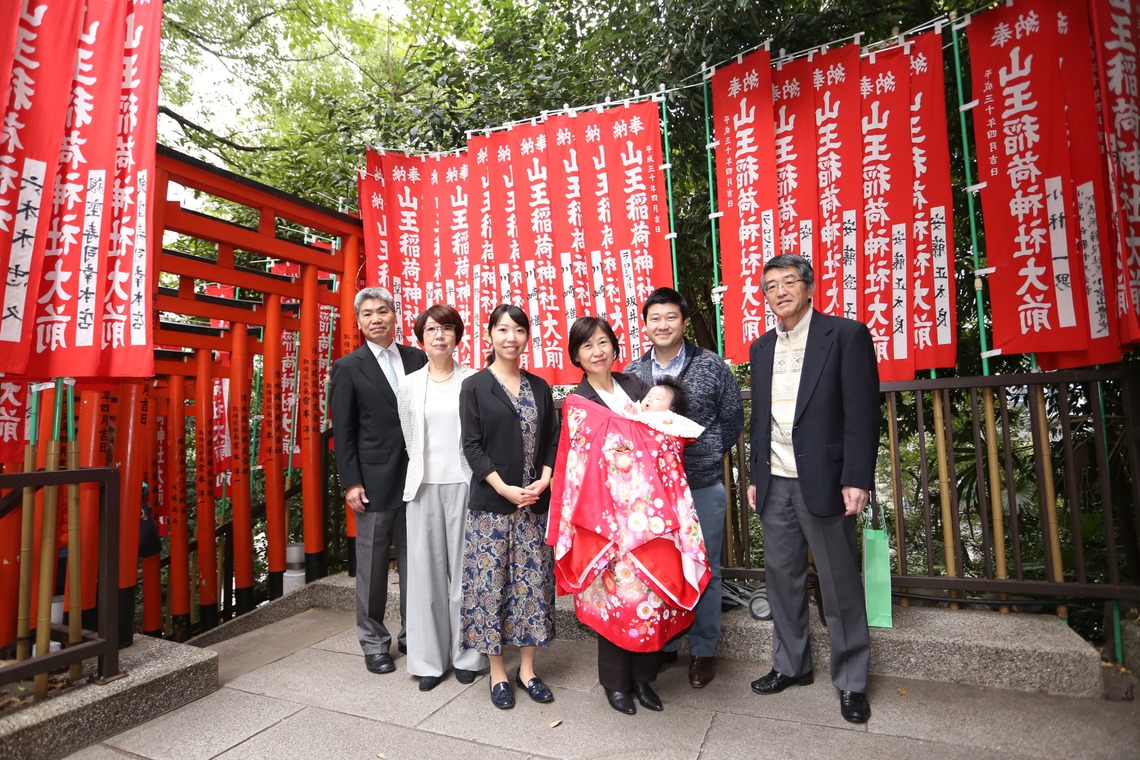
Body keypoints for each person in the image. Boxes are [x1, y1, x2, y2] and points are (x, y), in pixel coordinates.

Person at [549, 316, 709, 716]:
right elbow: (575, 462)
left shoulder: (636, 387)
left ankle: (643, 679)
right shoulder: (579, 404)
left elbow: (665, 434)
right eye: (587, 346)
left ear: (615, 347)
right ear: (576, 356)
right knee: (613, 602)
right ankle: (616, 684)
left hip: (648, 518)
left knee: (648, 601)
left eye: (603, 342)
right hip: (604, 523)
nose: (597, 351)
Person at [746, 253, 881, 724]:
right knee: (782, 580)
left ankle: (851, 681)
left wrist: (857, 479)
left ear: (808, 287)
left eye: (788, 282)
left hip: (825, 480)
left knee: (840, 581)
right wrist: (754, 476)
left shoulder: (844, 335)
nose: (779, 292)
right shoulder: (761, 348)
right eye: (770, 286)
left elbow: (863, 415)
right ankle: (791, 665)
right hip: (775, 481)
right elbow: (759, 417)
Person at [624, 286, 744, 688]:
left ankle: (703, 651)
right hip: (651, 495)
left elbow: (732, 419)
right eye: (655, 318)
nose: (662, 324)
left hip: (701, 486)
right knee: (659, 567)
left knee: (703, 568)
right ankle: (664, 646)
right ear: (646, 325)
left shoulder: (711, 365)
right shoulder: (634, 374)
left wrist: (703, 454)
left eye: (670, 317)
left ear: (685, 322)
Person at [458, 304, 559, 710]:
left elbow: (553, 437)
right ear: (490, 336)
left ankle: (528, 670)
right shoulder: (475, 386)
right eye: (503, 330)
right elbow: (471, 445)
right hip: (492, 507)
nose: (511, 338)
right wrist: (504, 488)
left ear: (527, 337)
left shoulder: (539, 386)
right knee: (490, 586)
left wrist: (546, 478)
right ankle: (498, 672)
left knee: (532, 587)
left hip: (533, 505)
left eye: (519, 330)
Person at [330, 286, 427, 675]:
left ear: (395, 315)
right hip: (372, 480)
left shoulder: (418, 358)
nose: (376, 318)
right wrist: (351, 482)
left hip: (418, 477)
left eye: (382, 311)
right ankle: (374, 642)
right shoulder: (348, 367)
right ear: (359, 322)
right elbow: (344, 430)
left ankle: (413, 634)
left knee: (414, 563)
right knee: (371, 567)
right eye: (367, 313)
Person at [396, 305, 488, 691]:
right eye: (431, 329)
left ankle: (468, 655)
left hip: (467, 486)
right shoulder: (409, 385)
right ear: (421, 337)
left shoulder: (476, 381)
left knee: (466, 575)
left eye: (446, 329)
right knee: (424, 577)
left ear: (457, 336)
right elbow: (409, 437)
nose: (438, 336)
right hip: (422, 488)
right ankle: (428, 661)